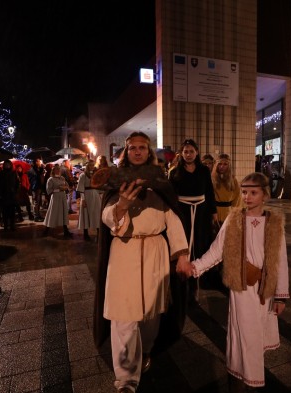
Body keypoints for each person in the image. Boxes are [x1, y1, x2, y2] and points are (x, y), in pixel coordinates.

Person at [94, 132, 190, 393]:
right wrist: (122, 206)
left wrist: (182, 255)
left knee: (150, 314)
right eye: (132, 148)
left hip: (154, 251)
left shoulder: (160, 181)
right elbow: (106, 216)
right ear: (126, 152)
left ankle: (146, 350)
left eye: (142, 148)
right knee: (123, 315)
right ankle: (126, 379)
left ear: (149, 152)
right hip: (124, 250)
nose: (137, 152)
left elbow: (172, 218)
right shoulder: (116, 179)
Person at [179, 172, 289, 392]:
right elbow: (217, 251)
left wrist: (280, 295)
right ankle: (242, 380)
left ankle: (246, 379)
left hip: (264, 289)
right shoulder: (234, 218)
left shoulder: (274, 222)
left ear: (265, 195)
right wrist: (196, 267)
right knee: (243, 335)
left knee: (256, 335)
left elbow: (280, 260)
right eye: (245, 192)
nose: (247, 196)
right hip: (241, 289)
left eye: (253, 192)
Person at [168, 139, 218, 302]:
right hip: (182, 212)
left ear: (197, 152)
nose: (188, 154)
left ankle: (197, 281)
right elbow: (171, 196)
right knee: (184, 245)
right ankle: (183, 285)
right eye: (185, 151)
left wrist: (213, 211)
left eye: (191, 151)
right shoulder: (175, 172)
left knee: (199, 244)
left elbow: (209, 191)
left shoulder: (204, 170)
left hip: (202, 212)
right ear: (181, 153)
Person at [43, 165, 73, 238]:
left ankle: (66, 230)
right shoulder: (51, 179)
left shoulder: (62, 178)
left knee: (63, 213)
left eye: (59, 170)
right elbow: (48, 190)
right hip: (55, 197)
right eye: (56, 170)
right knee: (53, 213)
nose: (58, 171)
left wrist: (66, 188)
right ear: (53, 171)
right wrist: (59, 189)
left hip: (62, 197)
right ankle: (46, 230)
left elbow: (67, 186)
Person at [212, 154, 241, 226]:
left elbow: (237, 198)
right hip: (214, 212)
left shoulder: (233, 180)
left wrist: (234, 213)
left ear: (229, 166)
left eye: (225, 164)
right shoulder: (212, 179)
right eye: (220, 164)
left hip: (228, 212)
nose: (222, 166)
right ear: (216, 165)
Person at [76, 160, 101, 241]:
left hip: (95, 195)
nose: (92, 167)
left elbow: (99, 186)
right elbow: (81, 188)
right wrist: (83, 199)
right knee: (85, 214)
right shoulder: (83, 175)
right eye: (90, 165)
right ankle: (86, 234)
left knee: (97, 214)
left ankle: (99, 234)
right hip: (87, 195)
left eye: (93, 165)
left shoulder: (95, 175)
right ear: (87, 166)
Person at [0, 160, 19, 231]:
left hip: (12, 194)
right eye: (6, 164)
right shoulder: (0, 174)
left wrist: (15, 191)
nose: (7, 166)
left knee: (12, 211)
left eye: (8, 164)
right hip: (4, 195)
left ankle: (12, 225)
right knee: (5, 211)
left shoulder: (13, 173)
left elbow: (17, 183)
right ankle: (6, 225)